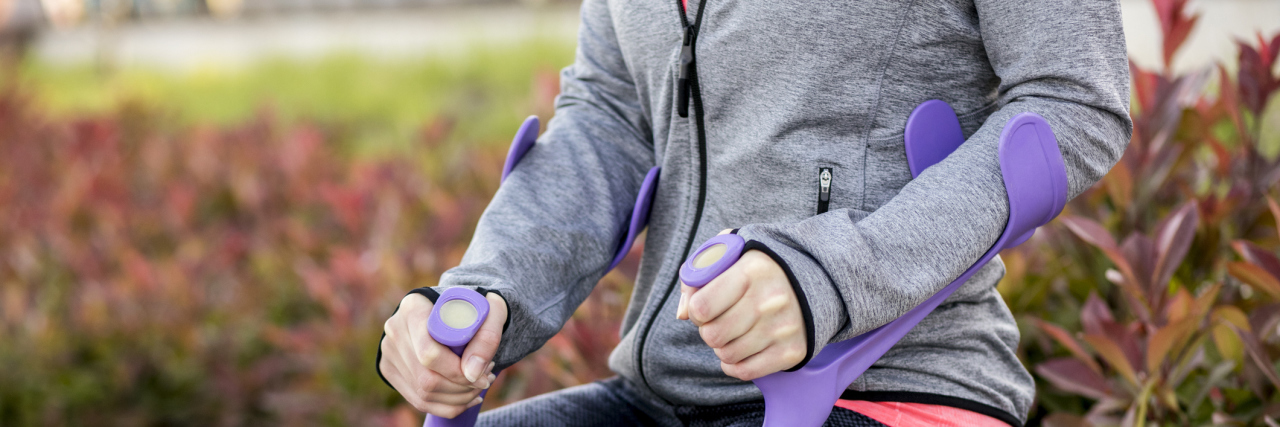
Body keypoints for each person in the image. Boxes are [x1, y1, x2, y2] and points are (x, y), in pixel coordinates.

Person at [376, 0, 1131, 425]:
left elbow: (1074, 101)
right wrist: (479, 296)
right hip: (659, 395)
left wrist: (828, 278)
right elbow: (610, 117)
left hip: (887, 389)